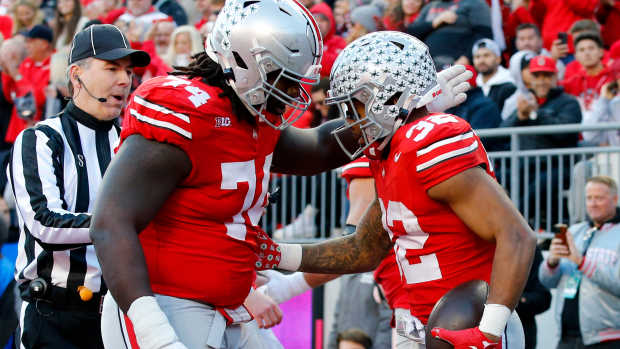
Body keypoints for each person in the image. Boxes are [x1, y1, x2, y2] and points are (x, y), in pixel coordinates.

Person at [88, 1, 472, 348]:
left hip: (227, 306)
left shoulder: (249, 117)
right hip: (166, 303)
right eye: (283, 78)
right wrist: (150, 326)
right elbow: (110, 222)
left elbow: (319, 149)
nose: (293, 92)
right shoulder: (186, 114)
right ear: (241, 61)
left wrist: (400, 110)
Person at [258, 31, 535, 349]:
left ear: (389, 98)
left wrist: (488, 331)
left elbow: (517, 235)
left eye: (356, 104)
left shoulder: (427, 141)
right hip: (421, 324)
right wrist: (276, 254)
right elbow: (363, 249)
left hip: (469, 325)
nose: (349, 118)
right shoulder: (389, 153)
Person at [8, 24, 150, 349]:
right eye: (111, 68)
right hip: (53, 314)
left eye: (128, 71)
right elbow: (45, 224)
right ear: (77, 75)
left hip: (115, 316)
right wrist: (118, 225)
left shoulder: (133, 144)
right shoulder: (41, 139)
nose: (124, 80)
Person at [539, 175, 620, 348]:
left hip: (607, 339)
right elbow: (547, 282)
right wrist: (551, 263)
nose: (593, 203)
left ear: (615, 199)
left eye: (599, 198)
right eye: (589, 198)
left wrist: (581, 262)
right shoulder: (575, 231)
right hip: (566, 337)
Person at [471, 38, 517, 115]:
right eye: (477, 57)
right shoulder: (473, 86)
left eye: (486, 55)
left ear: (498, 59)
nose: (481, 60)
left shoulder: (510, 85)